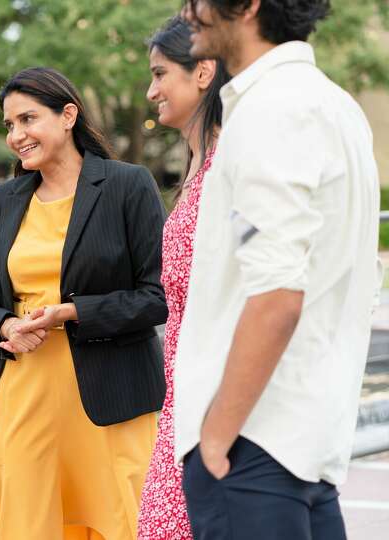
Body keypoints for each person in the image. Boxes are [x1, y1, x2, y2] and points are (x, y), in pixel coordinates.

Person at [175, 2, 381, 538]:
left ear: (247, 6)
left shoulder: (269, 110)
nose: (186, 12)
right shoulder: (338, 108)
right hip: (304, 445)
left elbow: (277, 295)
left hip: (251, 447)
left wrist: (216, 438)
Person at [0, 67, 168, 540]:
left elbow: (158, 297)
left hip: (111, 397)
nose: (16, 135)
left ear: (68, 115)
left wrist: (71, 313)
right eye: (9, 125)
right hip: (26, 395)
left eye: (28, 119)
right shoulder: (6, 199)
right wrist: (6, 328)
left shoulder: (127, 185)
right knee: (26, 523)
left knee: (121, 520)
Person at [138, 16, 230, 540]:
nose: (151, 90)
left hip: (213, 405)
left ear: (203, 73)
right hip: (183, 397)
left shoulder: (228, 166)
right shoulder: (197, 166)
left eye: (160, 73)